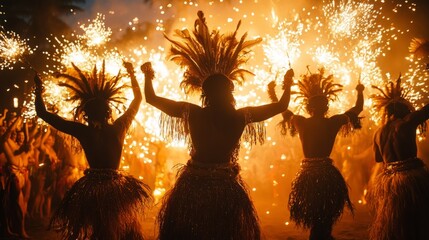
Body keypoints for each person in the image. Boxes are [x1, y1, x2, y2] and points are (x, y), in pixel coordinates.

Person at [147, 10, 292, 240]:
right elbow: (281, 106)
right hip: (225, 188)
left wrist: (147, 76)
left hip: (193, 186)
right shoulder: (241, 116)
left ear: (204, 94)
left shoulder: (192, 112)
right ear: (230, 93)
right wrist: (288, 84)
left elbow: (151, 99)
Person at [34, 61, 151, 240]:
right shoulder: (119, 127)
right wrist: (132, 74)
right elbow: (137, 99)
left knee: (103, 231)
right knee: (123, 229)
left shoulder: (82, 131)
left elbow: (42, 113)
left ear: (85, 114)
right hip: (116, 187)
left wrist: (38, 90)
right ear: (108, 112)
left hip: (93, 189)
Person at [269, 68, 364, 240]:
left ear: (308, 107)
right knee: (325, 214)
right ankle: (322, 235)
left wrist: (277, 91)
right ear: (326, 107)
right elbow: (357, 108)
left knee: (316, 213)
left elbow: (281, 109)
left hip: (308, 175)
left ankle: (319, 235)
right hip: (326, 174)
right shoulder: (333, 122)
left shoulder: (300, 121)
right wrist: (359, 91)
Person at [368, 75, 429, 240]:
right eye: (408, 108)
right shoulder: (407, 122)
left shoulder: (378, 132)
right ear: (403, 110)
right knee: (416, 222)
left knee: (395, 223)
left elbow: (378, 159)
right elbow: (426, 110)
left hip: (390, 183)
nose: (410, 111)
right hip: (411, 180)